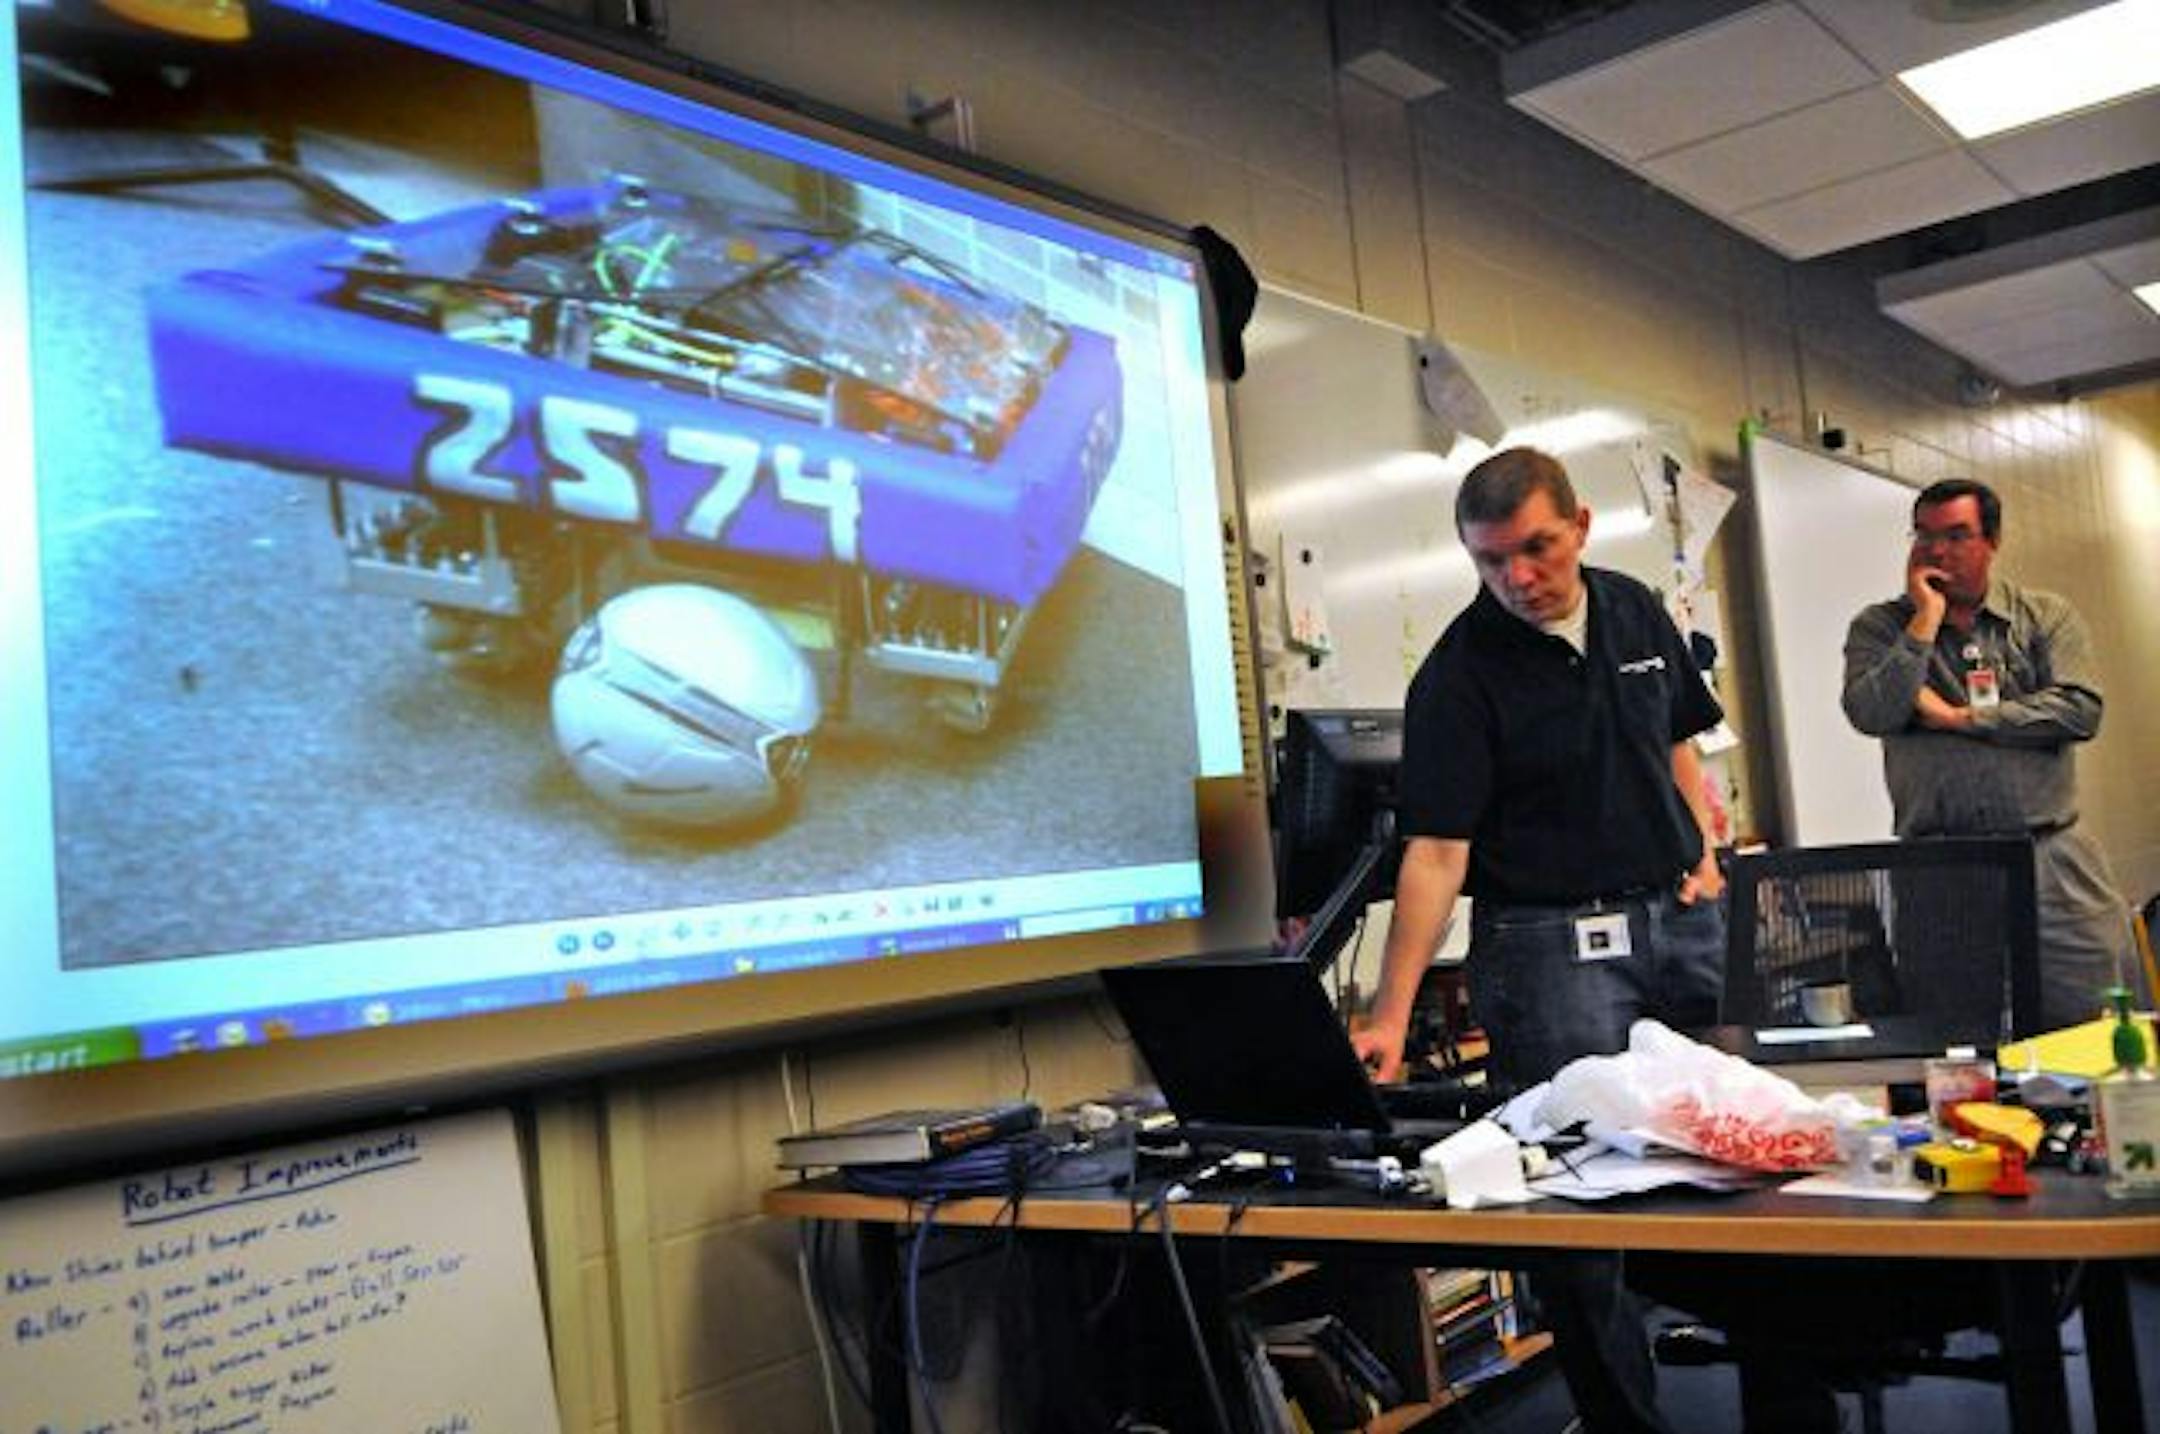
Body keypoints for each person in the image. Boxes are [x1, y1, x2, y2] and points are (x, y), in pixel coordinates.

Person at [1352, 446, 1725, 1434]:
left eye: (1537, 548)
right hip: (1549, 948)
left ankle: (1790, 1397)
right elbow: (1436, 854)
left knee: (1743, 1151)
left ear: (1581, 526)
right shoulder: (1458, 673)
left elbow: (1678, 741)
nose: (1518, 577)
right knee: (1577, 1202)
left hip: (1681, 920)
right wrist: (1389, 1014)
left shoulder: (1635, 609)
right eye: (1491, 560)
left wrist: (1704, 851)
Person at [1842, 477, 2142, 1030]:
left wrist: (1961, 718)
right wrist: (1924, 621)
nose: (1937, 550)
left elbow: (2079, 710)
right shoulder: (1879, 629)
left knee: (2092, 1023)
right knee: (1954, 1035)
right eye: (1924, 535)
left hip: (2050, 859)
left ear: (1993, 540)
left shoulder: (2043, 617)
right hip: (1941, 869)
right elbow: (1871, 712)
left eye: (1957, 535)